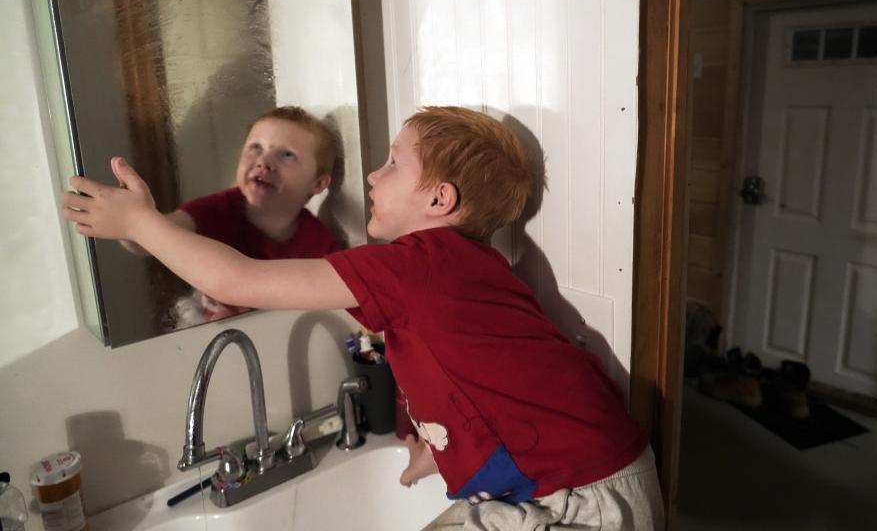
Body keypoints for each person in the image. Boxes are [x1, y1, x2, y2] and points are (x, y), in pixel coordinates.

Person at [63, 106, 664, 530]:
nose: (373, 176)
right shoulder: (459, 267)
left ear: (439, 200)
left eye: (393, 163)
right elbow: (496, 374)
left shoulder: (418, 262)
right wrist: (448, 444)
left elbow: (232, 279)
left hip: (582, 500)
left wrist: (142, 223)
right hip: (576, 479)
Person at [120, 106, 343, 322]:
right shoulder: (215, 211)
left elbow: (334, 311)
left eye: (287, 155)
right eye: (256, 147)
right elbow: (146, 241)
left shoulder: (321, 247)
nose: (264, 162)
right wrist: (133, 219)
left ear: (318, 184)